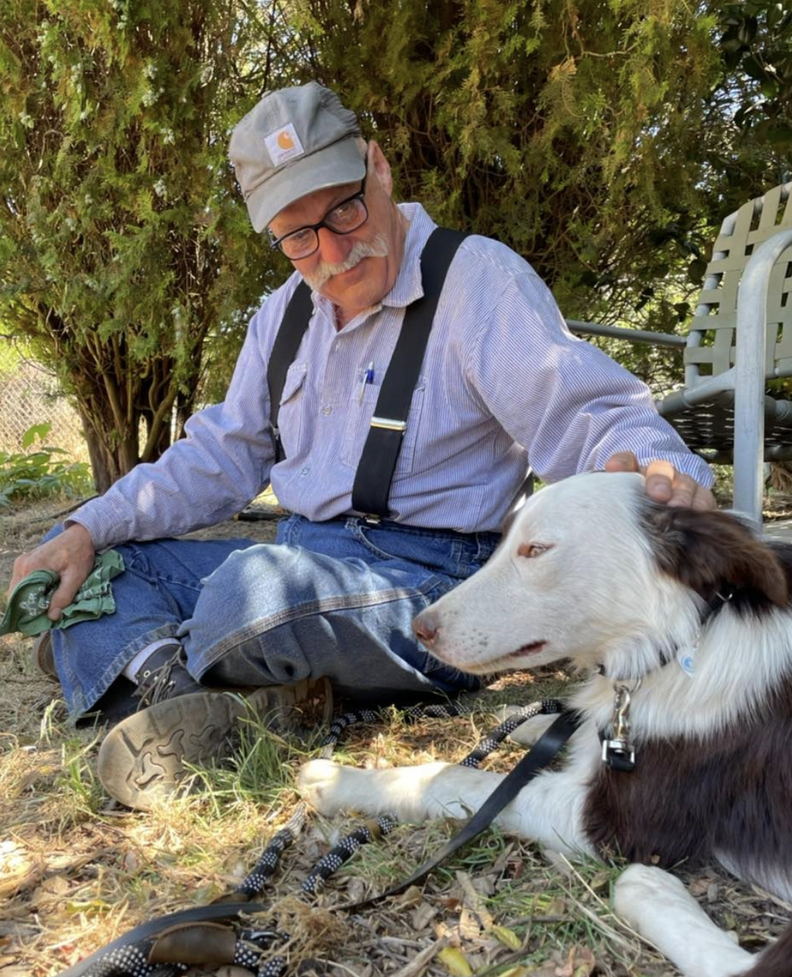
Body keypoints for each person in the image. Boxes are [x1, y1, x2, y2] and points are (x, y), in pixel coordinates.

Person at [9, 82, 715, 810]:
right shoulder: (281, 317)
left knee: (243, 594)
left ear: (377, 167)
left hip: (432, 580)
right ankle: (186, 696)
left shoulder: (475, 280)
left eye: (342, 210)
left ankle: (134, 668)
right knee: (101, 569)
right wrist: (86, 525)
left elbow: (584, 408)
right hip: (300, 558)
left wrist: (659, 468)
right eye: (298, 236)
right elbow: (217, 455)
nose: (334, 252)